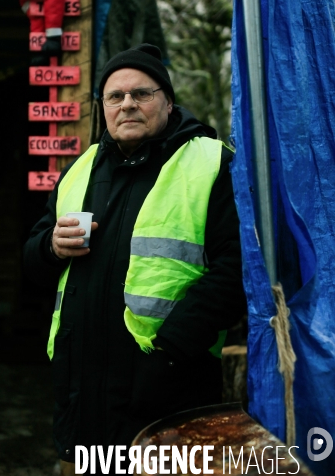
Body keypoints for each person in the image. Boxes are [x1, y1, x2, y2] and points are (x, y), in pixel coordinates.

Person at [23, 44, 245, 476]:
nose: (127, 104)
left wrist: (169, 352)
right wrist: (50, 246)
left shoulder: (211, 163)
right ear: (102, 107)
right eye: (115, 96)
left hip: (169, 388)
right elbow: (31, 261)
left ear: (168, 100)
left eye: (141, 93)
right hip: (83, 395)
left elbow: (237, 269)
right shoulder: (81, 168)